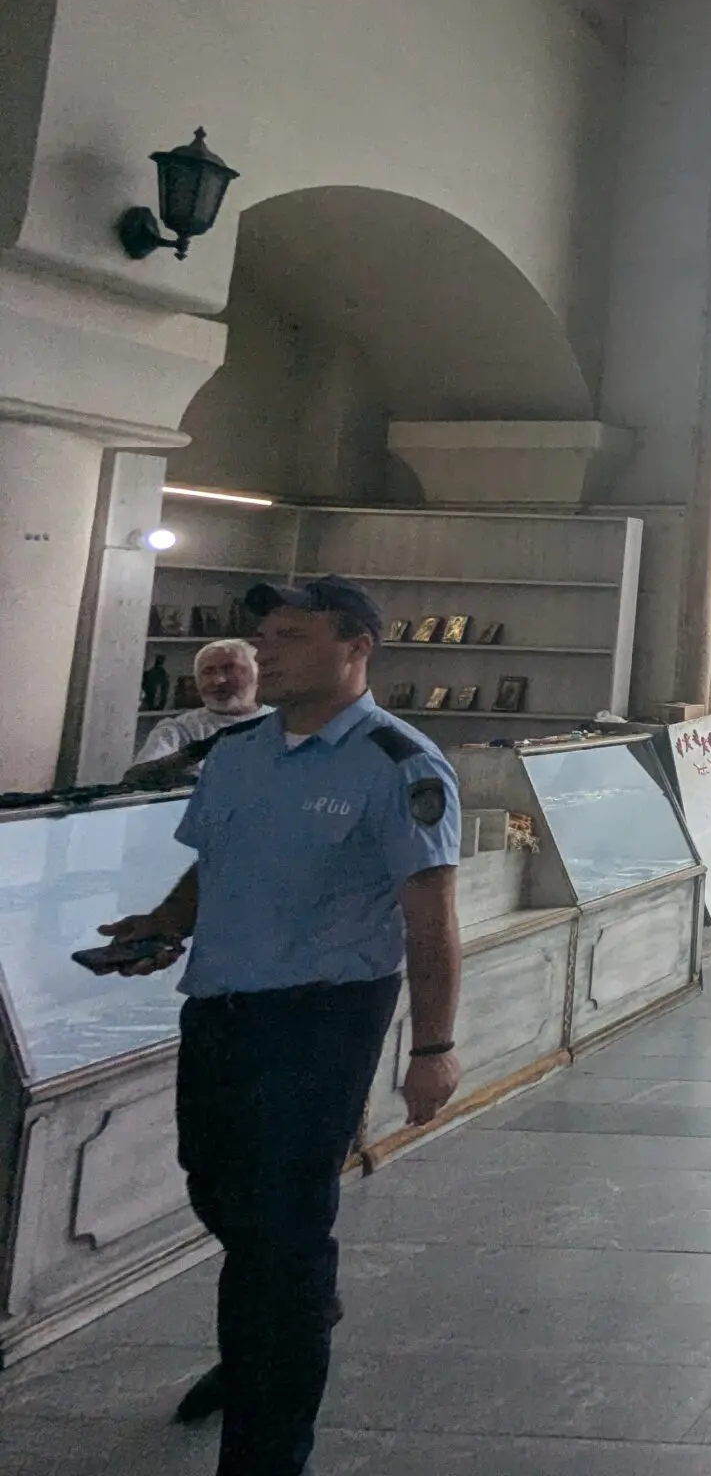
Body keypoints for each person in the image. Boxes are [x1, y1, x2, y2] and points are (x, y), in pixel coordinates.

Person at [94, 575, 462, 1473]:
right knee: (218, 1190)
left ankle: (267, 1438)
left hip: (323, 1018)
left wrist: (434, 1049)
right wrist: (164, 926)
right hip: (221, 1006)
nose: (267, 653)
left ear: (355, 649)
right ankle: (286, 1316)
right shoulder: (238, 755)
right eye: (266, 637)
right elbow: (212, 866)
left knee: (281, 1229)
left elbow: (432, 918)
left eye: (292, 636)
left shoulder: (398, 763)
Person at [131, 638, 269, 773]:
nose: (218, 680)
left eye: (230, 669)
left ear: (258, 674)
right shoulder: (177, 731)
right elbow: (144, 784)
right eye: (208, 672)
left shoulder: (282, 721)